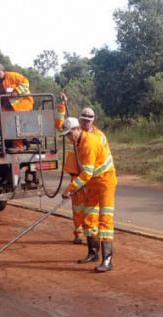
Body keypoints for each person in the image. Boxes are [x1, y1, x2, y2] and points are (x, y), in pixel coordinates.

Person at [60, 117, 116, 272]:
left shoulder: (89, 143)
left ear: (78, 129)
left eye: (69, 133)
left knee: (105, 221)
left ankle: (107, 260)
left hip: (105, 184)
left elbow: (86, 174)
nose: (68, 137)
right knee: (88, 218)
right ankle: (93, 253)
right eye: (66, 135)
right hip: (92, 185)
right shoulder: (78, 143)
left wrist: (69, 189)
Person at [55, 93, 109, 244]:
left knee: (92, 207)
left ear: (93, 120)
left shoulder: (99, 137)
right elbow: (59, 125)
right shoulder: (73, 132)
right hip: (76, 175)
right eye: (83, 120)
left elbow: (103, 157)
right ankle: (78, 232)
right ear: (80, 121)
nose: (86, 122)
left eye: (88, 120)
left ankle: (93, 235)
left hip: (91, 177)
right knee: (78, 206)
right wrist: (62, 106)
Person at [0, 63, 33, 150]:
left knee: (16, 124)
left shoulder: (13, 76)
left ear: (3, 71)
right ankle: (9, 144)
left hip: (22, 104)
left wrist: (17, 91)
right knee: (4, 122)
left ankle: (18, 147)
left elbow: (25, 83)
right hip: (9, 108)